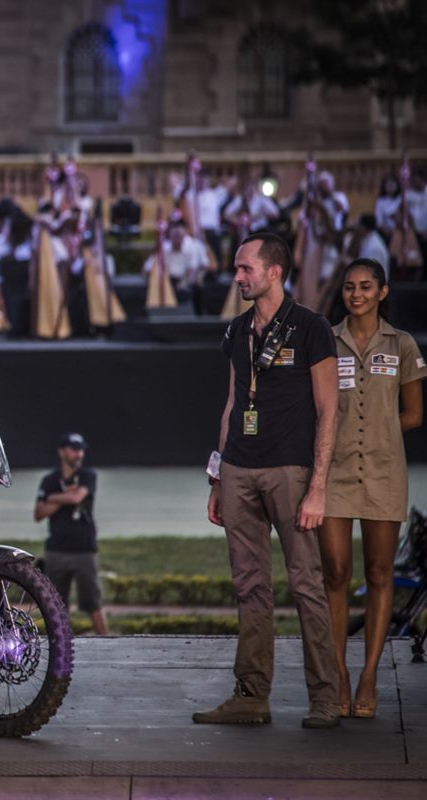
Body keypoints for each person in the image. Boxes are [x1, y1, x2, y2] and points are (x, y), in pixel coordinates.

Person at [198, 232, 341, 729]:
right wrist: (217, 477)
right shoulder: (237, 330)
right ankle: (251, 696)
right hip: (238, 469)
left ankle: (326, 697)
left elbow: (329, 411)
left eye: (245, 269)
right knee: (250, 587)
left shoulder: (311, 328)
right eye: (237, 269)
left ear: (274, 271)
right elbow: (233, 404)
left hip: (290, 470)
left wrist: (318, 486)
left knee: (307, 585)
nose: (237, 276)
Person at [319, 258, 426, 720]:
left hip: (384, 474)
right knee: (336, 573)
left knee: (380, 574)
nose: (356, 294)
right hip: (334, 474)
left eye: (366, 287)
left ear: (383, 292)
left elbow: (414, 414)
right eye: (349, 287)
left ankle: (368, 674)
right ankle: (338, 672)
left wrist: (379, 435)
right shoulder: (326, 340)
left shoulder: (401, 344)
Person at [34, 433, 108, 635]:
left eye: (81, 449)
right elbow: (39, 513)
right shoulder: (49, 479)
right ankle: (60, 644)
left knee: (93, 602)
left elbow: (77, 497)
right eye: (74, 448)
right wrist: (64, 497)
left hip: (84, 548)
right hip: (56, 549)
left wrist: (53, 498)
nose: (78, 453)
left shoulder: (88, 475)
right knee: (56, 605)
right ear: (62, 451)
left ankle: (106, 641)